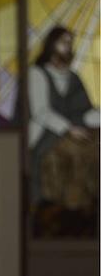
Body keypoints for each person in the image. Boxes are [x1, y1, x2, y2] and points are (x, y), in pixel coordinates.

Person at [27, 25, 100, 237]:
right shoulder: (37, 73)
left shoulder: (73, 77)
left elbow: (85, 111)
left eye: (70, 42)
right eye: (63, 41)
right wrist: (68, 129)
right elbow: (41, 112)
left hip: (77, 131)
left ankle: (84, 214)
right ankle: (63, 213)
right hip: (47, 134)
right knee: (74, 154)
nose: (67, 46)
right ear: (51, 44)